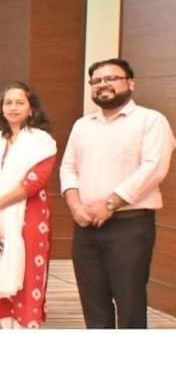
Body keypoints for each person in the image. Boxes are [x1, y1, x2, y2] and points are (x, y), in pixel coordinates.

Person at [60, 58, 174, 329]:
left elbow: (153, 168)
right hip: (86, 225)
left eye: (111, 78)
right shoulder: (82, 125)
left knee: (129, 301)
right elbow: (68, 168)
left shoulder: (150, 120)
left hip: (130, 225)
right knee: (93, 303)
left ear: (130, 83)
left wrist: (110, 204)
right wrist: (76, 207)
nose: (103, 84)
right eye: (96, 81)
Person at [0, 82, 57, 329]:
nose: (13, 107)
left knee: (27, 273)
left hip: (29, 219)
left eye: (20, 102)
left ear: (31, 109)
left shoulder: (42, 142)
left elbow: (33, 182)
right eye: (8, 102)